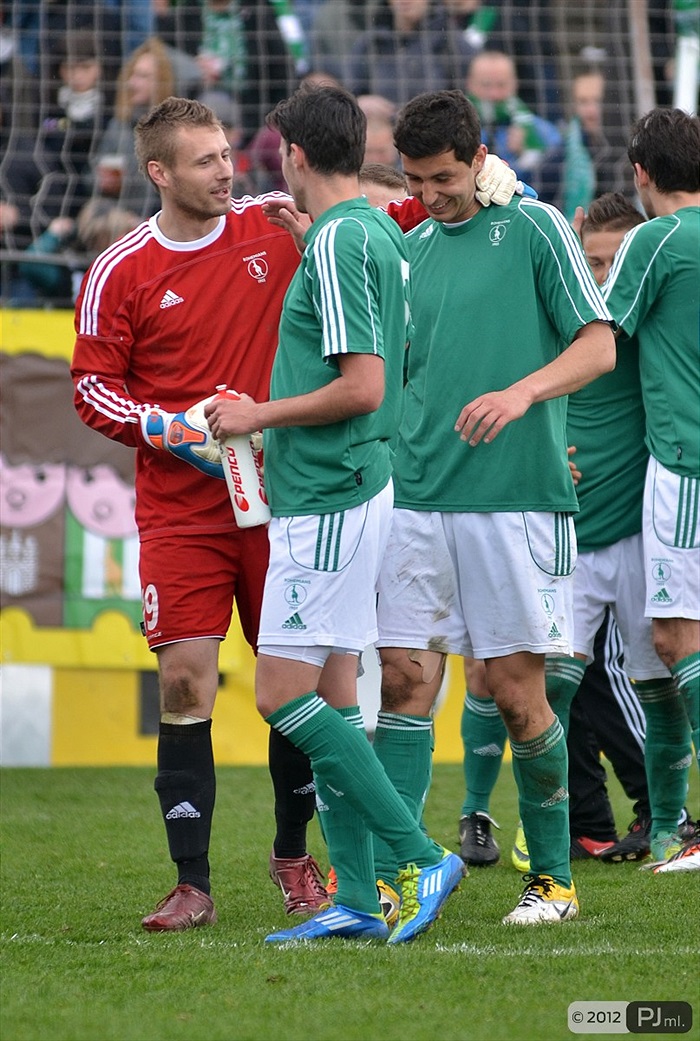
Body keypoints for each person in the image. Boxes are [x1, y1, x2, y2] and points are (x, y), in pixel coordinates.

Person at [205, 82, 466, 945]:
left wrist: (256, 415)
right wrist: (312, 237)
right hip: (349, 486)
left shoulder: (342, 243)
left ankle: (419, 855)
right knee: (336, 694)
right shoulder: (364, 232)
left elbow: (363, 387)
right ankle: (356, 894)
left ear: (296, 155)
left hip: (330, 493)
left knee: (281, 694)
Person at [70, 95, 332, 932]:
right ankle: (192, 881)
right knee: (184, 682)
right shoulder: (122, 269)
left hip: (280, 499)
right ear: (160, 172)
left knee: (294, 687)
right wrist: (163, 425)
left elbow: (376, 209)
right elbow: (91, 386)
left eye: (227, 154)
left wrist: (487, 185)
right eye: (206, 160)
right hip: (182, 511)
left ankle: (294, 857)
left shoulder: (271, 224)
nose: (228, 170)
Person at [371, 88, 615, 925]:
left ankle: (552, 879)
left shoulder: (537, 227)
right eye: (416, 179)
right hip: (416, 499)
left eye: (443, 177)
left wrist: (521, 394)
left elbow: (599, 343)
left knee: (516, 695)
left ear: (479, 159)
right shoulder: (412, 246)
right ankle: (401, 874)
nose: (430, 194)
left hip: (514, 501)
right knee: (403, 684)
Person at [601, 108, 700, 874]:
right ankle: (669, 829)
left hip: (684, 462)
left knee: (675, 642)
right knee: (662, 656)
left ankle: (685, 829)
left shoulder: (654, 240)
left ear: (641, 174)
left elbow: (601, 338)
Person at [464, 50, 561, 196]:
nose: (494, 94)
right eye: (486, 85)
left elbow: (555, 181)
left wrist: (525, 156)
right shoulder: (456, 127)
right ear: (470, 84)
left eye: (501, 85)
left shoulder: (542, 131)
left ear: (515, 84)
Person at [346, 0, 478, 107]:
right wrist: (363, 103)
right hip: (380, 135)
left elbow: (468, 100)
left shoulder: (453, 43)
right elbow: (351, 94)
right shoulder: (369, 43)